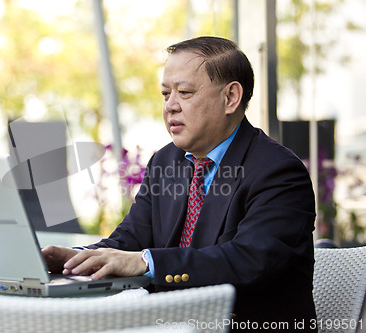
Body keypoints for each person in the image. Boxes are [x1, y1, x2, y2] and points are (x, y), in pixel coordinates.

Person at [42, 36, 316, 331]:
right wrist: (78, 259)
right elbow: (129, 240)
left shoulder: (278, 171)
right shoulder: (165, 162)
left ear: (230, 98)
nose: (170, 106)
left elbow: (248, 260)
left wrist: (146, 263)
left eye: (184, 92)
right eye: (165, 94)